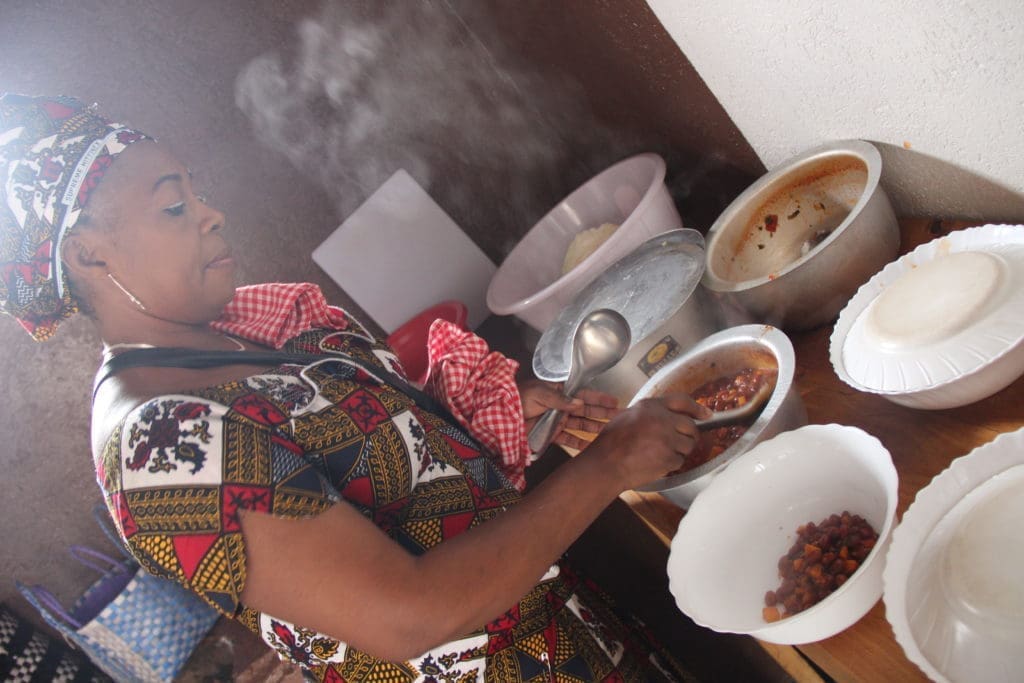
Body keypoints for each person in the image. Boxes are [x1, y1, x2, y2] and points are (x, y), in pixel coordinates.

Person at [0, 94, 712, 682]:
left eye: (197, 192)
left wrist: (491, 410)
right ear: (89, 252)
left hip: (574, 638)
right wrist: (608, 464)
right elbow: (407, 614)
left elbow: (375, 460)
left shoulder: (236, 331)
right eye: (174, 208)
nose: (211, 213)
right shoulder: (157, 450)